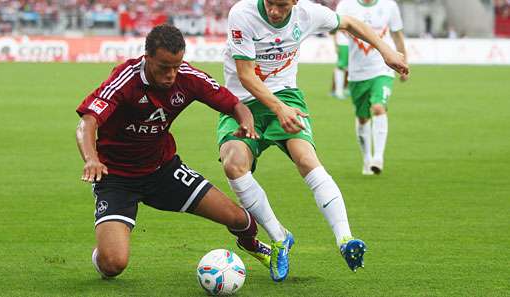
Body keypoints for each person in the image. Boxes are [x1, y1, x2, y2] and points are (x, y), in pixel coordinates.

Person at [218, 0, 409, 281]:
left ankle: (345, 238)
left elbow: (351, 23)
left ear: (295, 2)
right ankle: (279, 237)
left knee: (306, 159)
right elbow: (246, 76)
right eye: (270, 4)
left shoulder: (309, 14)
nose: (274, 11)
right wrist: (278, 109)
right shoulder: (242, 14)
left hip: (286, 96)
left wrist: (386, 50)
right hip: (242, 102)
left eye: (282, 5)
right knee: (233, 164)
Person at [75, 24, 271, 279]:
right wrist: (91, 159)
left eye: (176, 66)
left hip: (163, 170)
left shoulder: (188, 78)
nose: (171, 74)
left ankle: (251, 245)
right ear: (147, 59)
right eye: (164, 67)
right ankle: (102, 252)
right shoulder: (125, 79)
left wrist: (245, 121)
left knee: (239, 220)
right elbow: (87, 122)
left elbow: (234, 104)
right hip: (116, 177)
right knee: (113, 265)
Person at [336, 0, 409, 175]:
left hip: (382, 69)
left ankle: (378, 157)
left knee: (378, 107)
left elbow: (397, 35)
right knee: (362, 118)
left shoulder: (389, 6)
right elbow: (336, 31)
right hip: (357, 72)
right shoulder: (345, 6)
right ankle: (367, 158)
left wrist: (403, 61)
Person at [331, 30, 350, 100]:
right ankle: (338, 91)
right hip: (343, 42)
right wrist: (335, 44)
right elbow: (334, 30)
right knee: (341, 66)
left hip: (352, 43)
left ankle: (345, 89)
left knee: (349, 67)